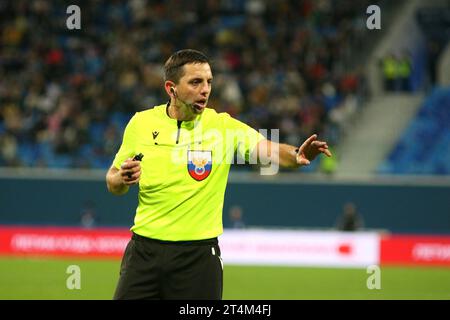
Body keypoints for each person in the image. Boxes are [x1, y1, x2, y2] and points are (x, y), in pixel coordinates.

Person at [106, 49, 332, 300]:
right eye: (195, 82)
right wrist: (122, 178)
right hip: (143, 253)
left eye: (209, 82)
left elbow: (269, 150)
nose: (205, 89)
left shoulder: (223, 128)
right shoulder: (141, 124)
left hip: (197, 258)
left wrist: (297, 155)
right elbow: (113, 181)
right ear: (171, 88)